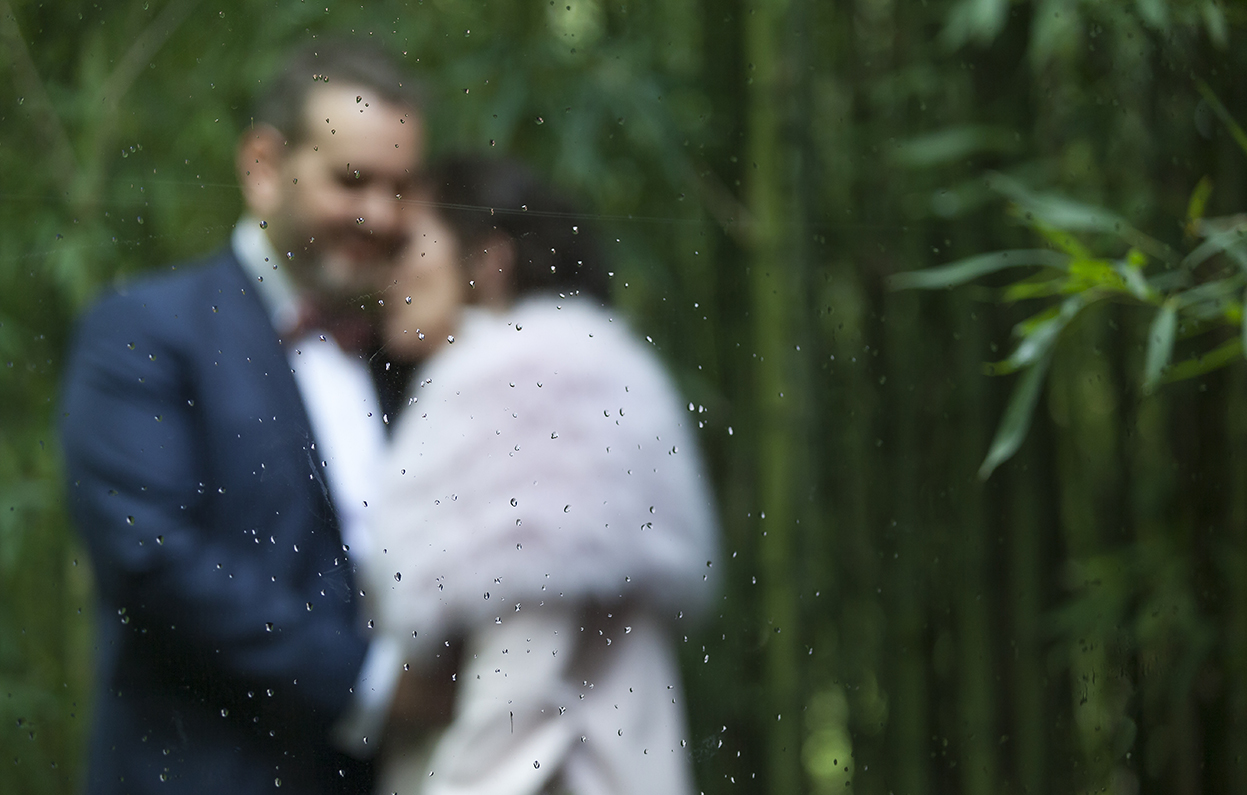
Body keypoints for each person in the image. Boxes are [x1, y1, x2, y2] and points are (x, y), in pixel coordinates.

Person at [58, 42, 452, 795]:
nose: (380, 214)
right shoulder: (143, 329)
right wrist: (370, 684)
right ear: (264, 167)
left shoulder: (403, 352)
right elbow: (154, 560)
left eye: (402, 189)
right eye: (352, 180)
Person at [367, 157, 720, 795]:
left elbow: (520, 686)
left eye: (409, 246)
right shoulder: (576, 378)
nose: (388, 275)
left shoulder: (531, 391)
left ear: (489, 260)